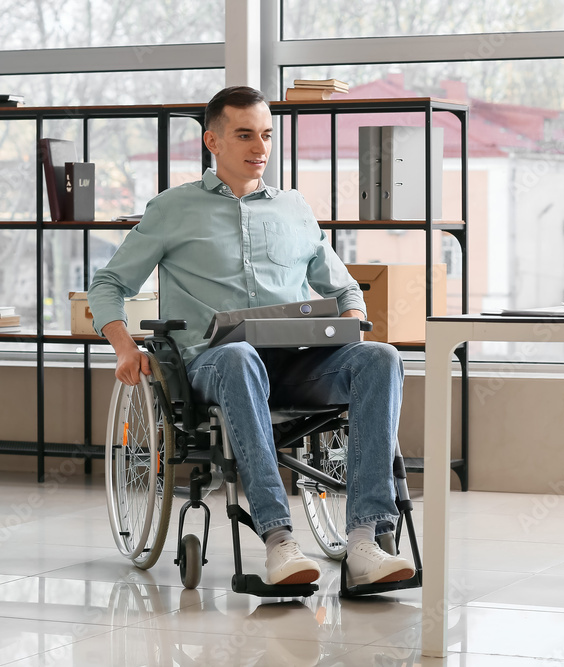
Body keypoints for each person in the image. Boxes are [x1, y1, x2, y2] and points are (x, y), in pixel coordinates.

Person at [88, 85, 415, 587]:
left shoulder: (293, 208)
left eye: (265, 135)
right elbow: (109, 283)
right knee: (239, 355)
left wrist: (350, 313)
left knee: (380, 358)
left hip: (296, 363)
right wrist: (124, 346)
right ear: (212, 141)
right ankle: (279, 539)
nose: (259, 148)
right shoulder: (172, 209)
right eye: (244, 135)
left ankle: (366, 538)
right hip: (214, 365)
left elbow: (344, 285)